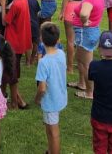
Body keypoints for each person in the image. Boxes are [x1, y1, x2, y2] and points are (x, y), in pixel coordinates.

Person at [70, 0, 105, 100]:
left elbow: (84, 13)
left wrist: (84, 21)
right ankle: (81, 83)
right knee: (80, 60)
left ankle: (90, 92)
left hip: (86, 32)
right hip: (90, 31)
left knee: (86, 64)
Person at [35, 22, 67, 154]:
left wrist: (37, 99)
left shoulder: (43, 62)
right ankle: (50, 149)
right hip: (60, 96)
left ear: (41, 39)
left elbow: (42, 88)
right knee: (50, 127)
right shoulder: (61, 53)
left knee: (53, 131)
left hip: (50, 101)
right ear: (58, 39)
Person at [2, 0, 31, 108]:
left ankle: (14, 102)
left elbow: (5, 21)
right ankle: (18, 100)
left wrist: (3, 4)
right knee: (12, 72)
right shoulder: (24, 0)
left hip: (12, 42)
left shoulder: (16, 4)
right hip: (20, 42)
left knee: (10, 74)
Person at [60, 0, 87, 73]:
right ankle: (81, 64)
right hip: (84, 9)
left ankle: (70, 67)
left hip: (71, 9)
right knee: (81, 40)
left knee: (70, 41)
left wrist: (62, 11)